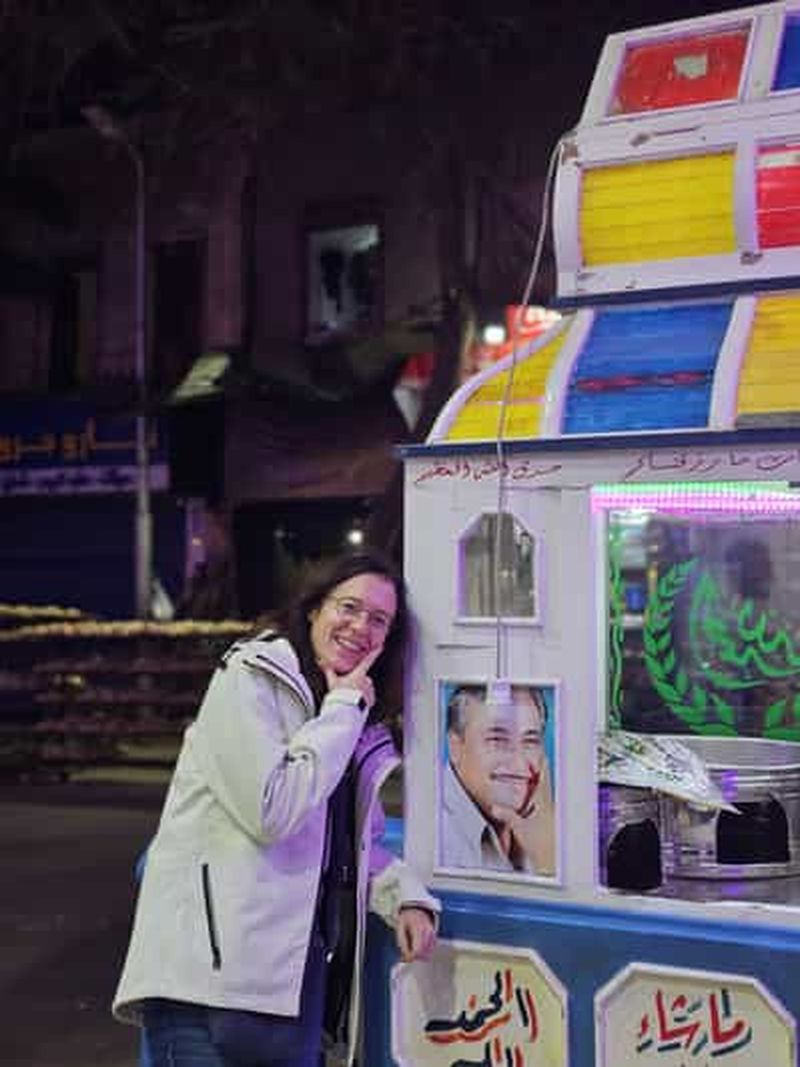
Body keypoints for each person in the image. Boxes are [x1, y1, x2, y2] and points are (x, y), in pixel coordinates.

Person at [113, 549, 439, 1067]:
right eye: (349, 607)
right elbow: (272, 812)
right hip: (207, 979)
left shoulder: (349, 716)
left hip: (287, 984)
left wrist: (405, 899)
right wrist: (343, 710)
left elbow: (351, 844)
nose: (360, 627)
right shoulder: (251, 677)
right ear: (313, 609)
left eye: (379, 619)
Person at [440, 683, 555, 875]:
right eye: (497, 740)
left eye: (530, 741)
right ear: (455, 747)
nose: (518, 764)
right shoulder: (436, 837)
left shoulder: (544, 827)